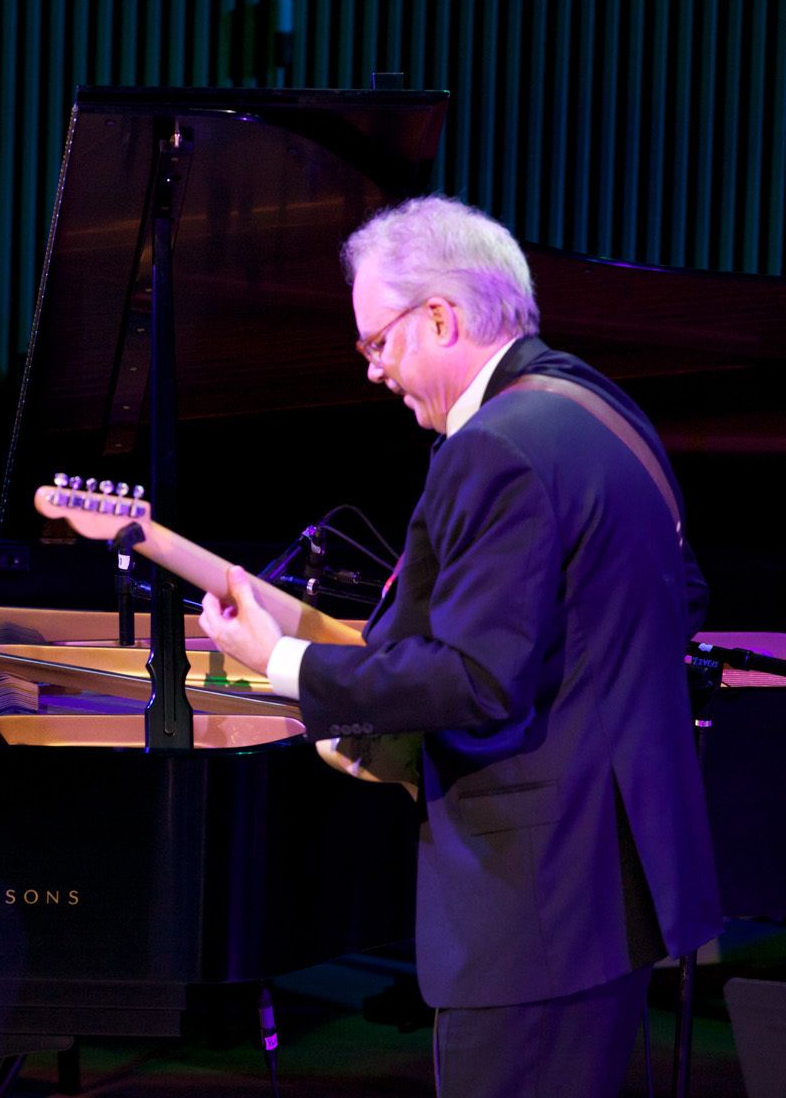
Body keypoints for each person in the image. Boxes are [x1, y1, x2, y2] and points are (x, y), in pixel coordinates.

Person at [195, 196, 722, 1095]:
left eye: (377, 343)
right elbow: (686, 596)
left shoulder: (495, 447)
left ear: (440, 317)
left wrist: (279, 662)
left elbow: (476, 680)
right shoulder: (602, 409)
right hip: (616, 890)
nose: (374, 371)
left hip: (532, 905)